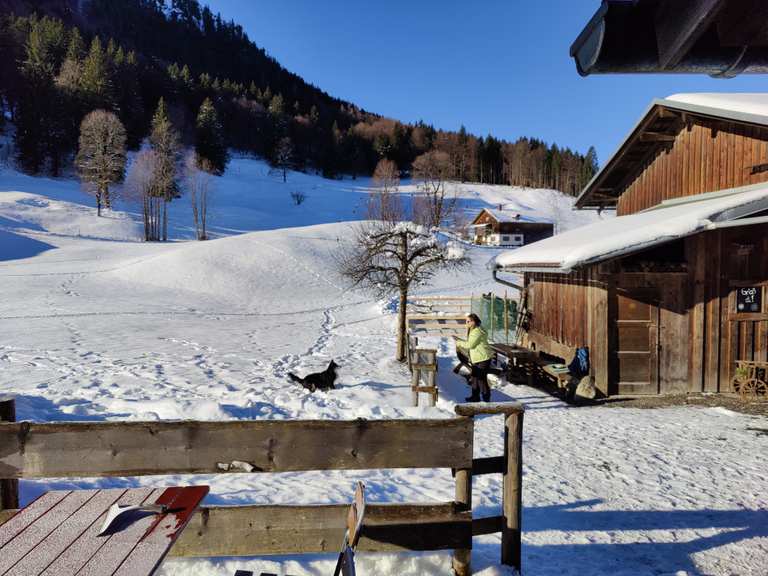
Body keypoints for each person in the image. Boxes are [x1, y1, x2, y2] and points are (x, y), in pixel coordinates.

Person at [454, 313, 493, 402]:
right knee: (475, 377)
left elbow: (470, 345)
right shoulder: (474, 330)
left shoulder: (477, 331)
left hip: (483, 358)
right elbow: (471, 343)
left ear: (473, 321)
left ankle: (486, 399)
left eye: (468, 321)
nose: (466, 323)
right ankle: (475, 397)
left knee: (481, 379)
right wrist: (460, 341)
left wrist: (459, 342)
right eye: (466, 321)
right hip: (478, 358)